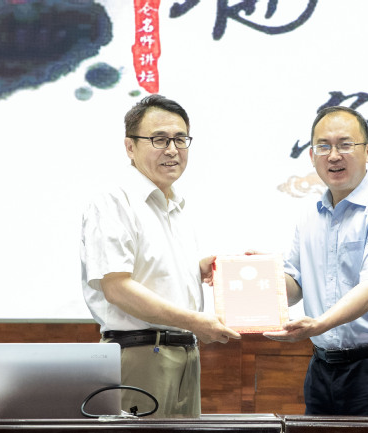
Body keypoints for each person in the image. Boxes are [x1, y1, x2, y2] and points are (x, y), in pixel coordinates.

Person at [81, 94, 240, 418]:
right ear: (130, 146)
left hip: (185, 354)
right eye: (159, 139)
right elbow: (117, 288)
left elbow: (153, 272)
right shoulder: (114, 201)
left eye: (180, 139)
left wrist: (196, 270)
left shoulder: (175, 205)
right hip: (139, 354)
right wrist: (194, 321)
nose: (172, 150)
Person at [264, 106, 368, 417]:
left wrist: (318, 324)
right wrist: (255, 277)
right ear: (312, 156)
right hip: (323, 369)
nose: (334, 156)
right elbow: (295, 286)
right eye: (323, 146)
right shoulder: (310, 216)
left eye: (345, 145)